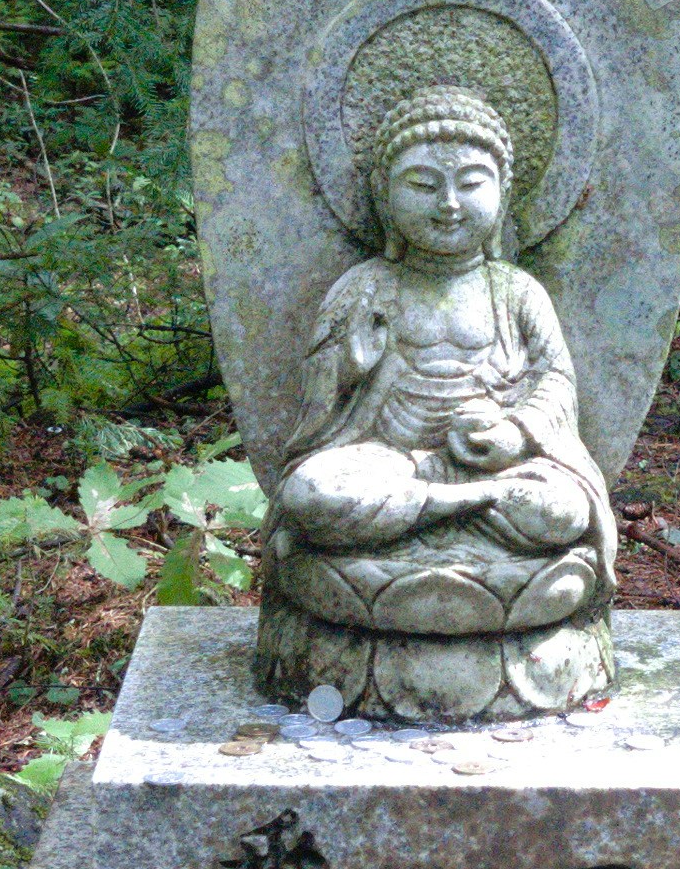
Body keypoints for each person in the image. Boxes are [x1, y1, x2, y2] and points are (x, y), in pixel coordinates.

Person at [258, 83, 614, 717]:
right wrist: (347, 368)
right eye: (423, 185)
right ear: (384, 197)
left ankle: (445, 513)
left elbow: (556, 379)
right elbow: (319, 412)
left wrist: (517, 435)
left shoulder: (515, 291)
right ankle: (451, 509)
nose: (449, 204)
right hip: (390, 463)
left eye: (471, 183)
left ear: (503, 195)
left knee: (562, 513)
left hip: (499, 472)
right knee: (310, 494)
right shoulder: (367, 285)